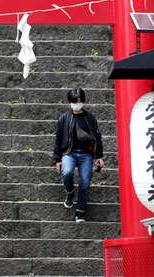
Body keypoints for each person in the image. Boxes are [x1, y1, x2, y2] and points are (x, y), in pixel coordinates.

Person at [52, 87, 104, 222]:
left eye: (79, 101)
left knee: (85, 182)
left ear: (83, 101)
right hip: (69, 152)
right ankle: (70, 193)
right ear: (70, 102)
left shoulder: (90, 118)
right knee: (67, 173)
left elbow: (97, 136)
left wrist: (99, 156)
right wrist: (57, 159)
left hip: (86, 154)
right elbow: (58, 138)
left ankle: (80, 212)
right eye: (74, 101)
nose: (77, 104)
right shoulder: (64, 117)